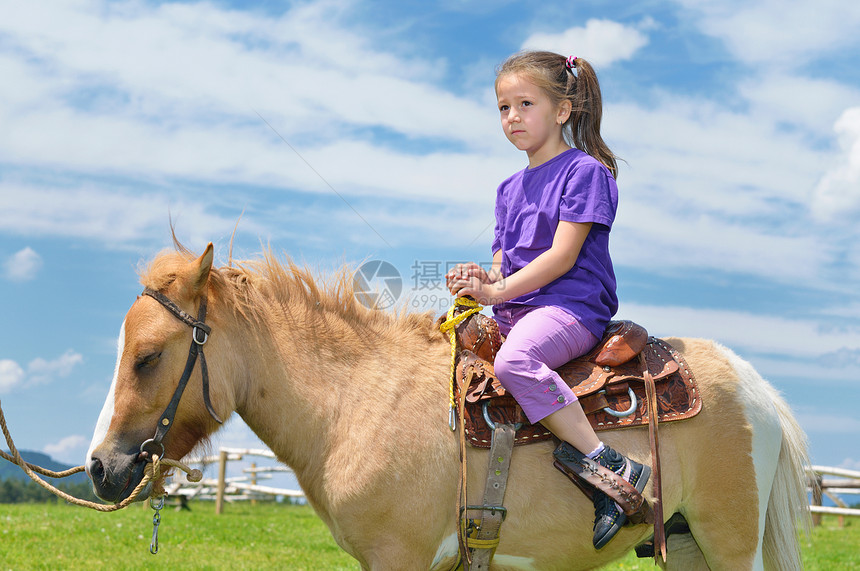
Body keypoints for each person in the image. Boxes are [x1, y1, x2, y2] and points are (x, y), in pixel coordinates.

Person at [446, 50, 649, 549]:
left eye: (525, 104)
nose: (512, 116)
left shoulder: (585, 173)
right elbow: (503, 266)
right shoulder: (507, 189)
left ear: (562, 110)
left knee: (516, 361)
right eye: (502, 108)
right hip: (519, 309)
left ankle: (610, 465)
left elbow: (560, 258)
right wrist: (480, 280)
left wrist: (496, 291)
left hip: (570, 307)